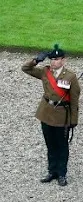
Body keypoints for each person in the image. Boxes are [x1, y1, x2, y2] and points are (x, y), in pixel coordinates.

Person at [22, 44, 80, 186]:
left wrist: (73, 120)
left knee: (62, 146)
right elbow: (26, 68)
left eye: (57, 59)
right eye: (51, 59)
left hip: (61, 116)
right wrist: (36, 60)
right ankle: (52, 170)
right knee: (50, 144)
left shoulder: (70, 77)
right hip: (46, 113)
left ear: (63, 60)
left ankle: (61, 173)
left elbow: (74, 100)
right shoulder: (45, 72)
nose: (53, 62)